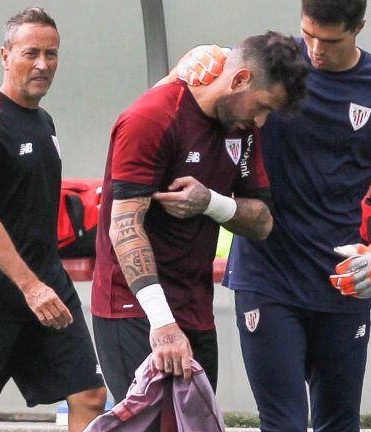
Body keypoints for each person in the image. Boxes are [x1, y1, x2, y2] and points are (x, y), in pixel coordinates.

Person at [206, 1, 371, 430]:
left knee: (339, 424)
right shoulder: (271, 63)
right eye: (308, 34)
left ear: (359, 27)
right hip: (267, 277)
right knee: (285, 424)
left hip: (343, 279)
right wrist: (190, 61)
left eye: (330, 40)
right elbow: (202, 92)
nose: (315, 49)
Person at [91, 31, 308, 403]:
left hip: (195, 308)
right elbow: (124, 226)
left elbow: (262, 221)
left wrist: (210, 202)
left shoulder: (241, 131)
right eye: (262, 107)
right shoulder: (152, 117)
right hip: (135, 308)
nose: (260, 121)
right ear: (240, 80)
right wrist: (162, 323)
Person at [0, 7, 106, 432]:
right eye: (31, 53)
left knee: (90, 395)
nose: (42, 64)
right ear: (5, 55)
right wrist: (30, 288)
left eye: (51, 54)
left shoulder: (43, 121)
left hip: (50, 285)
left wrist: (43, 283)